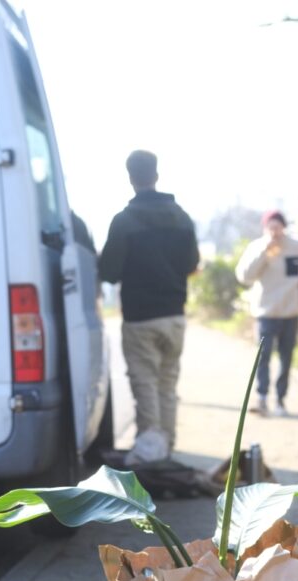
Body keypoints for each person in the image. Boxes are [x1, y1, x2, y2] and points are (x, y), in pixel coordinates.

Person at [98, 150, 199, 463]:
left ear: (131, 178)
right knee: (167, 385)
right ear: (156, 175)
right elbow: (192, 263)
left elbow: (109, 272)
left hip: (140, 317)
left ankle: (151, 456)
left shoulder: (124, 221)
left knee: (145, 384)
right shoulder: (181, 217)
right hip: (174, 315)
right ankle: (166, 451)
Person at [235, 210, 298, 416]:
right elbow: (244, 276)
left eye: (277, 226)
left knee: (286, 358)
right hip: (265, 312)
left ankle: (280, 400)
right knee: (263, 357)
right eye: (270, 227)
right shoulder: (257, 247)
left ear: (284, 227)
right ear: (265, 228)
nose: (274, 231)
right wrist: (264, 253)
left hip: (290, 311)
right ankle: (261, 397)